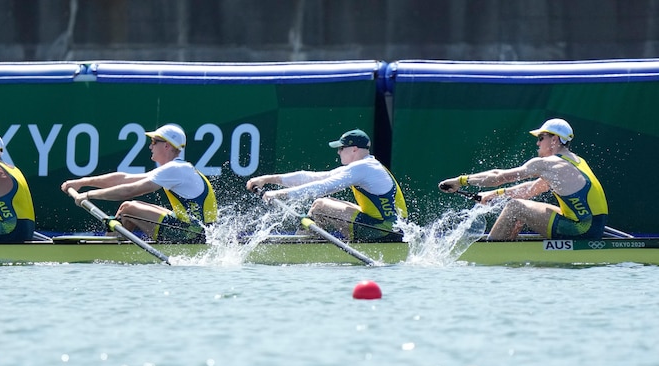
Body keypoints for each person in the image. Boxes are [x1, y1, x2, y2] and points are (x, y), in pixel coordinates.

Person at [438, 118, 608, 240]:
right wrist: (492, 195)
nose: (538, 144)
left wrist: (460, 181)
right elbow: (531, 189)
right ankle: (509, 251)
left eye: (541, 138)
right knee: (521, 203)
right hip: (591, 226)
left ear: (554, 140)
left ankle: (492, 256)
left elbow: (499, 176)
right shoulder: (574, 162)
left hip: (582, 230)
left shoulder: (548, 164)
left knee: (515, 207)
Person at [60, 124, 217, 243]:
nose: (150, 146)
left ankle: (106, 252)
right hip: (196, 231)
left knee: (128, 209)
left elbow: (130, 190)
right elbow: (124, 179)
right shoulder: (176, 169)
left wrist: (88, 195)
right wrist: (82, 182)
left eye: (154, 142)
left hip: (193, 236)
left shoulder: (175, 169)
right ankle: (111, 248)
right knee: (126, 209)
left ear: (167, 145)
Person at [245, 129, 407, 241]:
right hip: (390, 229)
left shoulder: (362, 168)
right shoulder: (368, 166)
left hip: (382, 232)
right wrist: (266, 179)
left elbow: (322, 187)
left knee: (321, 205)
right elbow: (313, 178)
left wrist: (278, 194)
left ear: (354, 149)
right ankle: (308, 240)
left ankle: (302, 245)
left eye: (341, 148)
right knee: (323, 203)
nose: (338, 152)